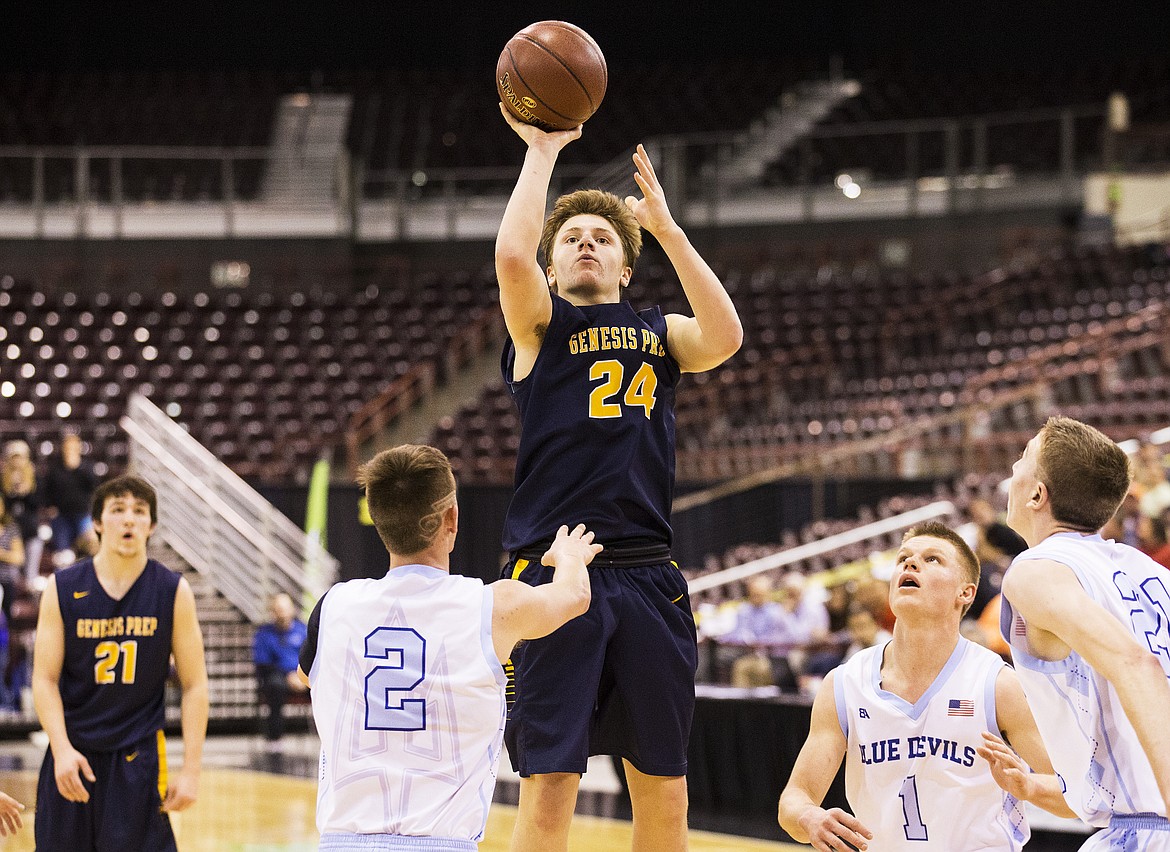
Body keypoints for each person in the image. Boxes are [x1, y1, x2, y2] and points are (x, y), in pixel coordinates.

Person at [493, 102, 743, 851]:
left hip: (647, 574)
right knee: (550, 785)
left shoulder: (661, 332)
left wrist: (668, 230)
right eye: (571, 239)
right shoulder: (540, 328)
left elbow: (726, 336)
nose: (587, 245)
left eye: (602, 238)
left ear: (627, 266)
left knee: (664, 790)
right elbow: (510, 259)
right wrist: (543, 151)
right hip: (552, 568)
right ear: (553, 265)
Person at [297, 444, 599, 851]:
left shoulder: (332, 606)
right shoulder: (495, 606)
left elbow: (307, 677)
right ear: (452, 518)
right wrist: (570, 556)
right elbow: (575, 597)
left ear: (377, 519)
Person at [778, 521, 1073, 852]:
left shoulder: (997, 684)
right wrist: (808, 817)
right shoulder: (844, 683)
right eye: (903, 557)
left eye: (933, 559)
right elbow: (794, 797)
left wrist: (1029, 786)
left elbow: (1076, 796)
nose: (910, 563)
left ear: (965, 592)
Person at [998, 416, 1170, 848]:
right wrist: (1037, 788)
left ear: (1037, 494)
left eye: (1021, 460)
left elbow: (1136, 665)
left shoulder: (1037, 570)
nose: (1011, 473)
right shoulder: (1147, 571)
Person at [31, 474, 209, 851]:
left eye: (139, 511)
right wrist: (60, 748)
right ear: (97, 522)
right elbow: (44, 679)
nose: (129, 519)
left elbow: (195, 685)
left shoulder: (172, 591)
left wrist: (191, 771)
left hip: (138, 758)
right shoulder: (62, 588)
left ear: (151, 525)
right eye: (117, 510)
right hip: (73, 755)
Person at [252, 591, 308, 746]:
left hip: (303, 676)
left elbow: (312, 656)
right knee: (274, 686)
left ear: (291, 610)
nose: (282, 613)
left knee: (324, 686)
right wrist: (288, 676)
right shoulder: (264, 634)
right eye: (278, 609)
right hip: (278, 677)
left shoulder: (303, 631)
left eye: (285, 608)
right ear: (273, 612)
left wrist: (301, 677)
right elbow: (263, 663)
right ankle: (274, 738)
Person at [42, 432, 99, 567]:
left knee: (91, 546)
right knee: (63, 554)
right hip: (62, 516)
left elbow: (94, 486)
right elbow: (48, 490)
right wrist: (50, 507)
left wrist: (78, 467)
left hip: (83, 514)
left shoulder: (87, 467)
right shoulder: (55, 468)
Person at [1, 439, 43, 584]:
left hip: (30, 530)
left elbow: (39, 504)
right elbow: (3, 507)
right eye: (14, 458)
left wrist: (26, 492)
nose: (17, 462)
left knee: (31, 576)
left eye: (20, 458)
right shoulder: (3, 479)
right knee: (11, 576)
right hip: (10, 533)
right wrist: (12, 492)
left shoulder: (35, 479)